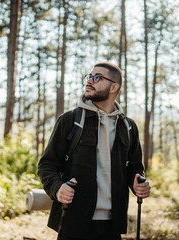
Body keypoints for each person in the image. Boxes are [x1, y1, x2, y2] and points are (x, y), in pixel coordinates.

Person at [37, 62, 151, 240]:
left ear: (114, 87)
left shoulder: (128, 127)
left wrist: (138, 184)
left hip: (112, 225)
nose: (89, 81)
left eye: (97, 77)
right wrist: (58, 188)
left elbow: (135, 168)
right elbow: (46, 165)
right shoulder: (70, 120)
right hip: (73, 222)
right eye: (89, 77)